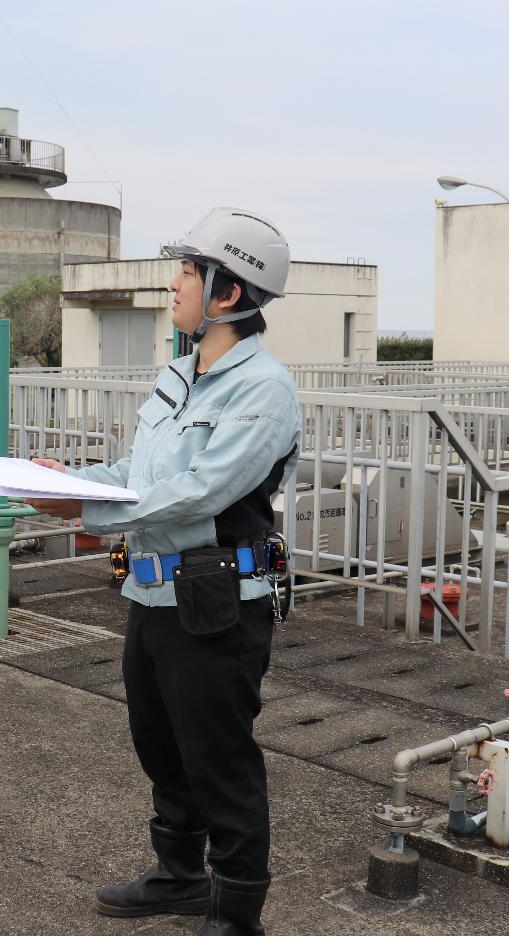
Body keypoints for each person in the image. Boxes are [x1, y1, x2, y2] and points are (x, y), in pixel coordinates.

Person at [26, 207, 301, 936]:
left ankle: (238, 911)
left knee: (220, 759)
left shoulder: (262, 389)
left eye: (188, 271)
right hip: (149, 590)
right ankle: (179, 876)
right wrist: (75, 482)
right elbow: (139, 471)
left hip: (216, 600)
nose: (174, 282)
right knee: (161, 743)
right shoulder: (180, 375)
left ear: (229, 293)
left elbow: (204, 489)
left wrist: (84, 512)